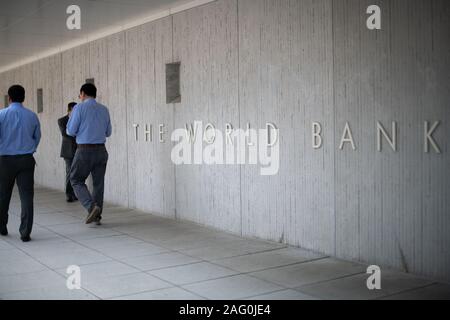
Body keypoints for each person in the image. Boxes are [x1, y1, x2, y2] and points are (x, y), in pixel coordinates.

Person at [0, 85, 41, 242]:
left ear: (9, 98)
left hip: (5, 160)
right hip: (26, 159)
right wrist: (30, 148)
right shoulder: (32, 116)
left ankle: (2, 226)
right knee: (27, 196)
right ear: (23, 97)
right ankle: (25, 232)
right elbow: (37, 137)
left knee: (3, 195)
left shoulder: (1, 114)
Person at [67, 83, 112, 225]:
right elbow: (108, 132)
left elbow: (70, 131)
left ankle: (92, 207)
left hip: (84, 150)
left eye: (79, 94)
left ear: (83, 93)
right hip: (101, 150)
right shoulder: (104, 109)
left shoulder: (78, 108)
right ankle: (97, 216)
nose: (79, 97)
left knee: (75, 179)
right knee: (98, 184)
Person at [58, 102, 78, 202]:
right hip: (68, 151)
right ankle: (69, 194)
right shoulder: (62, 120)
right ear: (69, 110)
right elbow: (65, 133)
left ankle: (75, 194)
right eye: (75, 109)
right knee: (70, 172)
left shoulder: (79, 119)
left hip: (79, 150)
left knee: (77, 173)